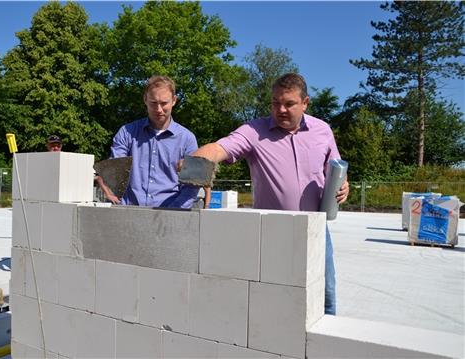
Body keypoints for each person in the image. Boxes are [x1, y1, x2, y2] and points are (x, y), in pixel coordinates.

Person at [190, 73, 349, 315]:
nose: (281, 109)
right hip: (272, 231)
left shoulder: (323, 130)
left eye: (289, 104)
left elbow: (335, 167)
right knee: (274, 298)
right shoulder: (255, 131)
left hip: (316, 228)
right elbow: (221, 147)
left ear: (305, 102)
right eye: (275, 103)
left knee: (326, 294)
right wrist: (196, 162)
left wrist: (343, 185)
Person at [107, 75, 199, 208]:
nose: (159, 110)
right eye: (153, 103)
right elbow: (115, 173)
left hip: (171, 215)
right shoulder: (126, 132)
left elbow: (191, 187)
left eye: (164, 103)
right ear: (145, 99)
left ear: (174, 100)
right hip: (129, 213)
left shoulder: (187, 139)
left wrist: (174, 212)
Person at [46, 135, 119, 203]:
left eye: (58, 146)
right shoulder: (40, 161)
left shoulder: (69, 160)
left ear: (61, 146)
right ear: (47, 146)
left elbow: (97, 178)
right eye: (53, 146)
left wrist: (108, 194)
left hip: (67, 200)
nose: (55, 148)